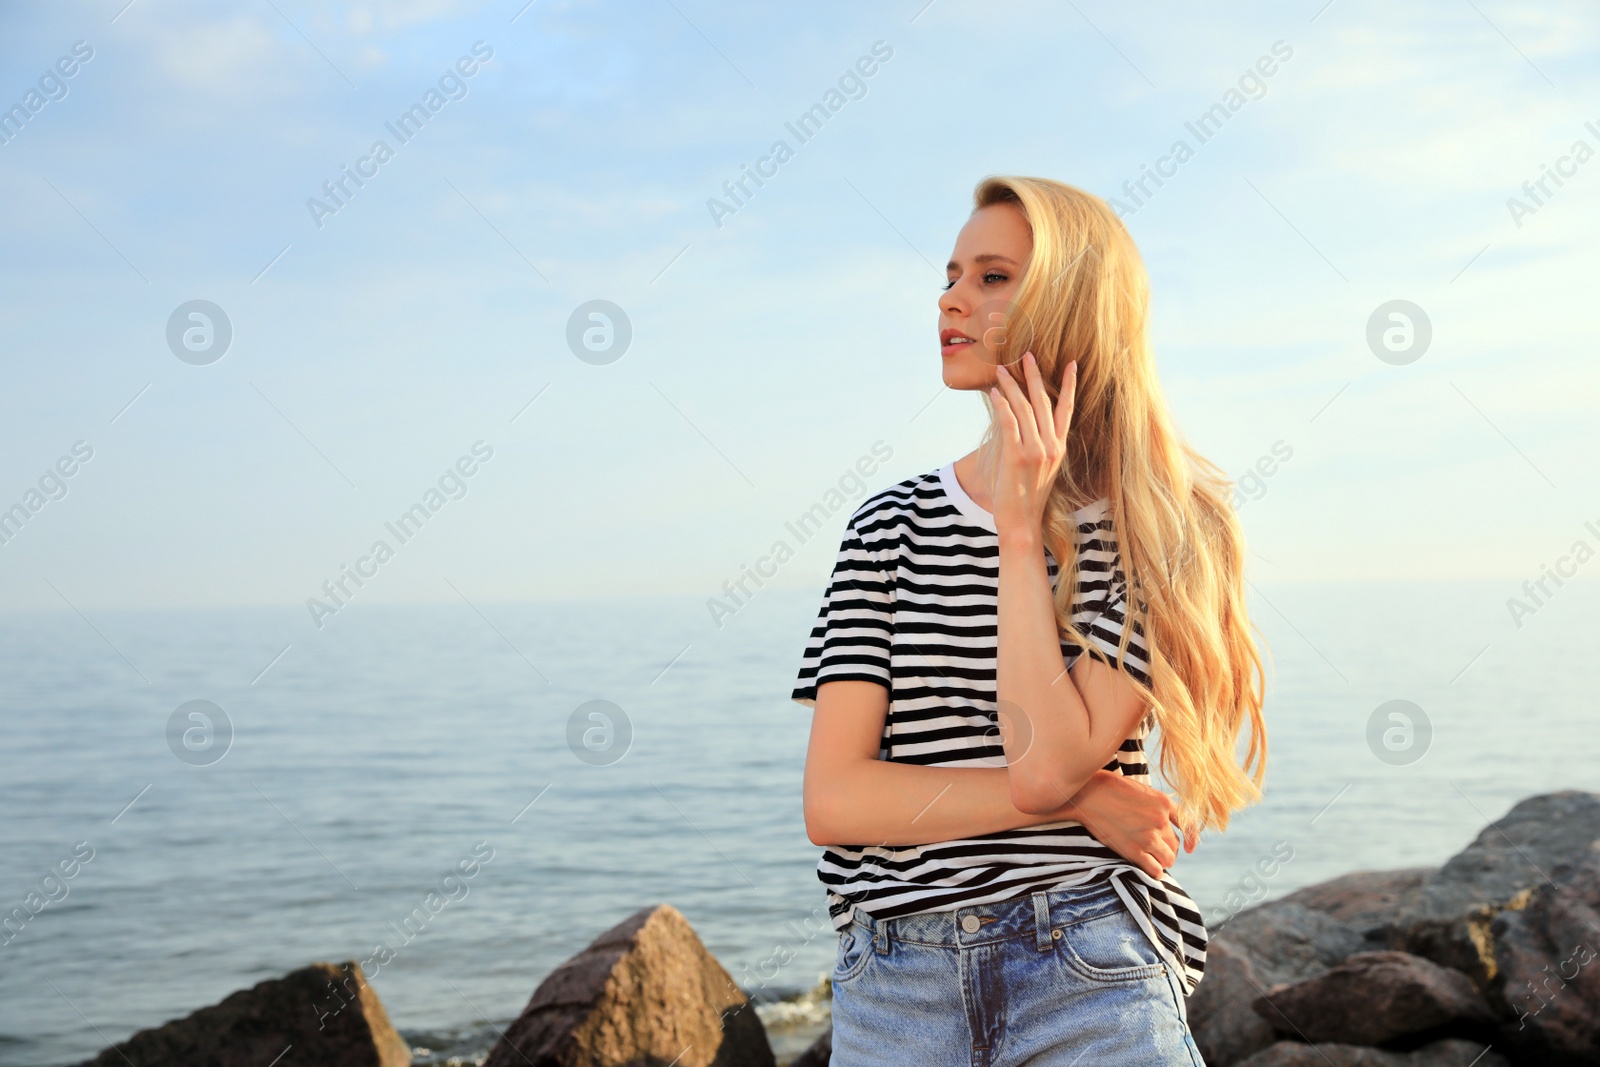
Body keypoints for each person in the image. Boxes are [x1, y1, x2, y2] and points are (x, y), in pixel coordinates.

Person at [790, 175, 1267, 1065]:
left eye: (993, 276)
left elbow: (1044, 763)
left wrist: (1018, 531)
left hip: (1087, 962)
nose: (951, 297)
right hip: (896, 981)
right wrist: (1091, 800)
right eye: (952, 273)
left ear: (1072, 302)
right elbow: (837, 800)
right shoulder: (888, 525)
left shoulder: (1162, 528)